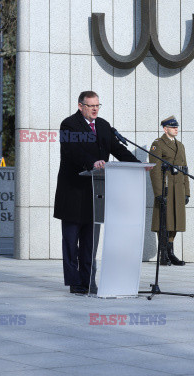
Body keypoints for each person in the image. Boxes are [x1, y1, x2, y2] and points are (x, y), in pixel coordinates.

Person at [53, 91, 141, 294]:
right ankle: (75, 282)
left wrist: (137, 165)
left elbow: (117, 149)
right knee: (71, 241)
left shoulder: (102, 125)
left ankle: (89, 281)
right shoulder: (69, 125)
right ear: (80, 106)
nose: (95, 109)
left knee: (90, 243)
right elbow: (71, 150)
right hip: (73, 191)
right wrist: (91, 162)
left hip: (96, 191)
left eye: (97, 105)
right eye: (91, 105)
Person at [149, 116, 190, 266]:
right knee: (164, 221)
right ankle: (163, 254)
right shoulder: (158, 144)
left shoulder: (180, 145)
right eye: (173, 127)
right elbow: (154, 171)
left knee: (176, 220)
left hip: (178, 188)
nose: (176, 129)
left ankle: (171, 252)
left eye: (177, 127)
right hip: (166, 188)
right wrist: (159, 193)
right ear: (165, 129)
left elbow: (185, 169)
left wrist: (187, 191)